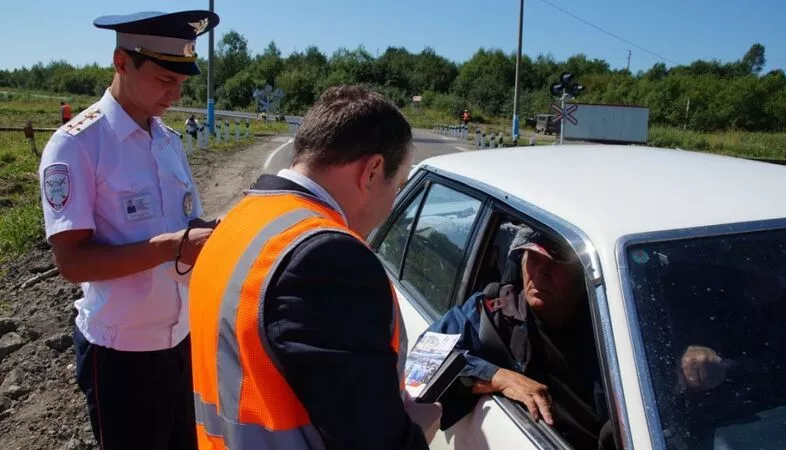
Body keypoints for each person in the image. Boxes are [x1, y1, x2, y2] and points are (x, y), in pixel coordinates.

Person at [188, 85, 440, 450]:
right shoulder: (327, 258)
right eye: (397, 185)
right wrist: (419, 429)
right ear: (371, 171)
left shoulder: (240, 221)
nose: (392, 203)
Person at [38, 10, 221, 450]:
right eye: (163, 80)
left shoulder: (168, 140)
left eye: (181, 83)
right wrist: (170, 246)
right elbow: (72, 261)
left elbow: (186, 221)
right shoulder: (77, 144)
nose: (174, 94)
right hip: (121, 355)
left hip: (180, 340)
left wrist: (223, 230)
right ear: (122, 62)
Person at [424, 224, 609, 449]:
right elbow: (424, 359)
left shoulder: (613, 327)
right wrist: (497, 377)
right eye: (533, 258)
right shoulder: (492, 313)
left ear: (583, 276)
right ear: (520, 263)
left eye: (556, 262)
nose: (541, 273)